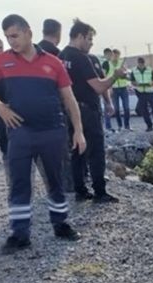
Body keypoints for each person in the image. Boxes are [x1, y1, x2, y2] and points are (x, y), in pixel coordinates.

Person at [0, 14, 85, 253]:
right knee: (19, 183)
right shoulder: (2, 61)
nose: (11, 41)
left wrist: (79, 131)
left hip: (52, 131)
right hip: (20, 133)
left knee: (55, 180)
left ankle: (61, 225)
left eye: (15, 35)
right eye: (8, 37)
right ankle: (19, 235)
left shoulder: (53, 62)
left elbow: (69, 99)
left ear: (28, 33)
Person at [59, 18, 123, 203]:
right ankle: (100, 191)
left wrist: (108, 102)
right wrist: (116, 75)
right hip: (87, 110)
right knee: (95, 151)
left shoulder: (61, 56)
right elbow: (99, 86)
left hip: (69, 111)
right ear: (79, 36)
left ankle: (80, 190)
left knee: (77, 150)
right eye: (89, 39)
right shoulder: (80, 58)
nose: (91, 43)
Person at [130, 57, 153, 132]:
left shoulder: (149, 69)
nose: (141, 65)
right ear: (138, 63)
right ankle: (149, 126)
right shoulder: (134, 71)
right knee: (144, 111)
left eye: (142, 64)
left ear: (144, 63)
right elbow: (132, 81)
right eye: (140, 64)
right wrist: (137, 84)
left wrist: (151, 84)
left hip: (150, 91)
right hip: (140, 93)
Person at [110, 49, 130, 130]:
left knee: (126, 108)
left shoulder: (122, 63)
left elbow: (126, 73)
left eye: (117, 55)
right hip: (114, 88)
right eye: (114, 55)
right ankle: (119, 126)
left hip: (123, 87)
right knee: (116, 109)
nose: (116, 57)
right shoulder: (109, 64)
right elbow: (107, 75)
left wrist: (123, 72)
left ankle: (127, 126)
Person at [100, 48, 114, 131]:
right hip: (106, 87)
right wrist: (108, 87)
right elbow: (104, 76)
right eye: (109, 55)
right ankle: (108, 127)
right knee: (107, 107)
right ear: (105, 54)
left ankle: (109, 126)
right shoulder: (105, 63)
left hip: (109, 86)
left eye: (111, 54)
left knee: (108, 107)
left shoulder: (110, 63)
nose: (111, 56)